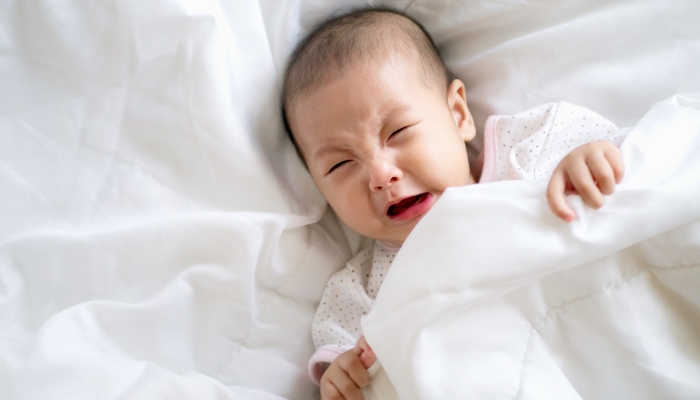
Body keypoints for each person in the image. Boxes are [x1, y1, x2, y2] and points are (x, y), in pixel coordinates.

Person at [282, 6, 626, 400]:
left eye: (398, 131)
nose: (381, 175)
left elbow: (642, 170)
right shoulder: (360, 288)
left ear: (459, 113)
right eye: (341, 164)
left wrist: (590, 159)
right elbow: (350, 367)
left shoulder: (530, 151)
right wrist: (341, 374)